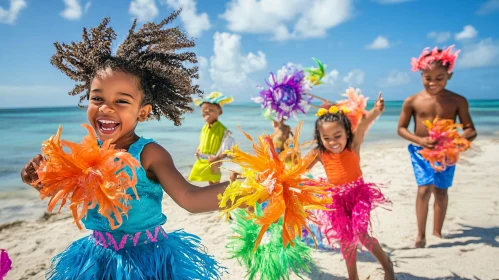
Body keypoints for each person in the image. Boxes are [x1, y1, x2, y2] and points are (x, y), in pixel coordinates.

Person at [20, 12, 233, 279]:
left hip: (147, 261)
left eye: (121, 101)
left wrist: (248, 189)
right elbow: (72, 194)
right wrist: (39, 179)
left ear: (142, 112)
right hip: (96, 258)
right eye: (97, 98)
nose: (106, 108)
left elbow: (190, 199)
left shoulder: (149, 154)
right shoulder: (87, 153)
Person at [307, 93, 394, 280]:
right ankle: (353, 277)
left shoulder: (353, 145)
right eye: (326, 138)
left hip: (358, 195)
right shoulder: (319, 153)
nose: (332, 142)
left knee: (361, 234)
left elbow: (363, 123)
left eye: (337, 136)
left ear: (347, 133)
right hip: (337, 200)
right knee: (346, 240)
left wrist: (376, 110)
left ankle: (387, 265)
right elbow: (298, 167)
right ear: (319, 137)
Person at [398, 45, 477, 248]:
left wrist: (457, 139)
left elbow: (470, 129)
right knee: (423, 189)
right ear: (420, 74)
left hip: (446, 152)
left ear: (449, 76)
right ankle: (420, 235)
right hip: (420, 151)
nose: (432, 82)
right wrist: (420, 140)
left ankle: (437, 231)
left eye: (439, 78)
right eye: (427, 77)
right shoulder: (412, 101)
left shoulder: (457, 101)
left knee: (441, 191)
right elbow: (401, 129)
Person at [189, 92, 234, 184]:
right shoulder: (204, 127)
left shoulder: (222, 129)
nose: (207, 112)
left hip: (214, 160)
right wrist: (198, 150)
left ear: (219, 112)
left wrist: (218, 158)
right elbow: (203, 141)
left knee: (215, 180)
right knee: (206, 179)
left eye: (211, 110)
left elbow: (226, 147)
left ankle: (217, 196)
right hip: (203, 159)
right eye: (204, 110)